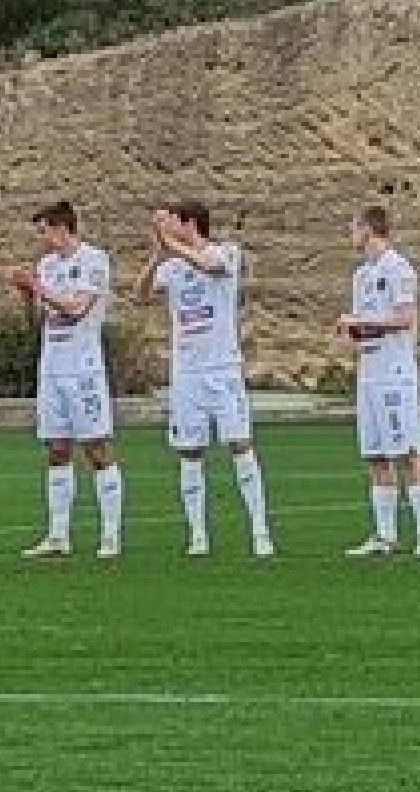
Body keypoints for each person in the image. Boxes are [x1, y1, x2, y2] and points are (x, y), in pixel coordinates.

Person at [148, 198, 273, 559]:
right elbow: (141, 295)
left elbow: (211, 267)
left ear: (189, 224)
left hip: (222, 369)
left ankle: (260, 532)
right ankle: (198, 536)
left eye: (172, 221)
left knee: (239, 446)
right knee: (189, 452)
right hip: (186, 372)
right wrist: (157, 255)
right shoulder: (171, 266)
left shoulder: (226, 252)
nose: (167, 227)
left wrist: (171, 245)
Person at [15, 201, 121, 558]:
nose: (42, 239)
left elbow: (76, 310)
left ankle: (110, 535)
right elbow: (37, 323)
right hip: (52, 367)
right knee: (57, 449)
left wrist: (40, 288)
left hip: (83, 368)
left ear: (63, 228)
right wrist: (28, 296)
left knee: (96, 448)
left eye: (45, 230)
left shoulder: (93, 260)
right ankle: (58, 535)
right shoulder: (47, 266)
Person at [336, 201, 420, 559]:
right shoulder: (360, 276)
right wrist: (353, 331)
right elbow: (369, 325)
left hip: (395, 374)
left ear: (367, 229)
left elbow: (405, 319)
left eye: (353, 227)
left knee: (408, 452)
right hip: (369, 373)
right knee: (375, 456)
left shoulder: (398, 268)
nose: (350, 235)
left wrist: (364, 322)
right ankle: (385, 536)